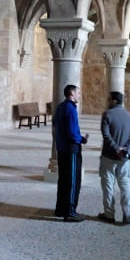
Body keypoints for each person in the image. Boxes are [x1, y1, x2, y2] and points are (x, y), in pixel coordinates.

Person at [98, 92, 130, 225]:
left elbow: (105, 134)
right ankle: (128, 213)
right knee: (125, 184)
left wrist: (116, 148)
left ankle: (109, 214)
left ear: (114, 101)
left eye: (109, 99)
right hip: (124, 159)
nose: (108, 101)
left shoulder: (107, 114)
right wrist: (125, 149)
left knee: (108, 185)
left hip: (108, 156)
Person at [53, 85, 89, 222]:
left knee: (63, 180)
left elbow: (56, 125)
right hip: (71, 150)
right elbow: (73, 133)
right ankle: (70, 212)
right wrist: (82, 139)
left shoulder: (60, 107)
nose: (79, 94)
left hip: (61, 149)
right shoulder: (70, 109)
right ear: (72, 93)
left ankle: (60, 209)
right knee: (73, 181)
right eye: (78, 92)